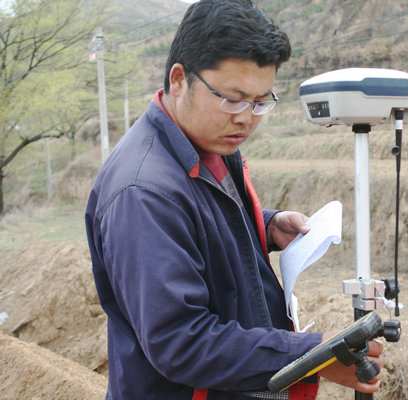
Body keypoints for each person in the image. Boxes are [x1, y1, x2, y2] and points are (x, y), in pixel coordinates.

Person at [85, 1, 383, 399]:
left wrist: (266, 224)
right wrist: (312, 355)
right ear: (179, 80)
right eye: (233, 98)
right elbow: (181, 342)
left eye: (261, 102)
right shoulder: (142, 194)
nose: (246, 118)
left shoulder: (208, 142)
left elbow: (197, 220)